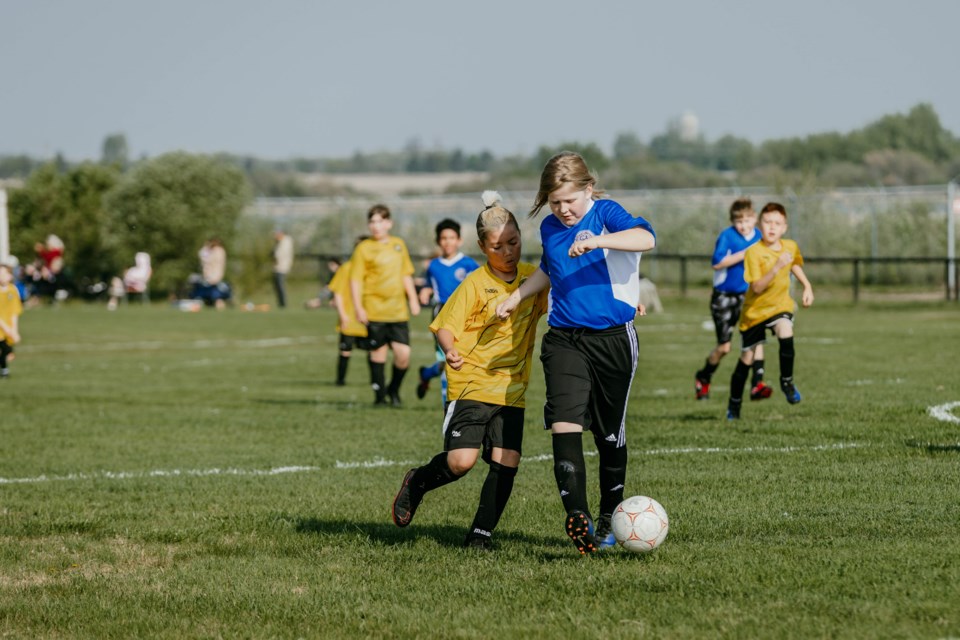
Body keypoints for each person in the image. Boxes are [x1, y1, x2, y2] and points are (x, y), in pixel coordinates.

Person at [496, 151, 656, 555]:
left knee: (608, 435)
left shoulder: (606, 213)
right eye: (555, 202)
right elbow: (551, 269)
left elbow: (647, 238)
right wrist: (517, 295)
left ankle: (608, 515)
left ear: (587, 189)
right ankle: (579, 518)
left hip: (614, 340)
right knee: (564, 423)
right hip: (565, 338)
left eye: (570, 200)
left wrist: (597, 239)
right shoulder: (550, 227)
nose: (563, 211)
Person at [392, 192, 549, 550]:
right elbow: (446, 325)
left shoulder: (531, 279)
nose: (508, 252)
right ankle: (418, 481)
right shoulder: (475, 283)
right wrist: (449, 350)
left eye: (514, 242)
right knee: (462, 461)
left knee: (507, 461)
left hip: (512, 388)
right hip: (472, 384)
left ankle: (480, 535)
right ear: (482, 246)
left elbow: (566, 291)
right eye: (498, 246)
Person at [726, 202, 814, 420]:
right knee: (747, 359)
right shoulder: (754, 252)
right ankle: (734, 406)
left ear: (784, 227)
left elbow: (793, 264)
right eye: (767, 222)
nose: (772, 227)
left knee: (786, 330)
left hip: (780, 306)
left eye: (777, 223)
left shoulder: (790, 246)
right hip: (754, 312)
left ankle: (787, 383)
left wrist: (807, 285)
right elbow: (756, 287)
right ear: (759, 225)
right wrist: (776, 267)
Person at [694, 198, 769, 401]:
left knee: (756, 338)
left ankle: (757, 384)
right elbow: (717, 263)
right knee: (725, 347)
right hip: (724, 297)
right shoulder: (727, 236)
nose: (743, 226)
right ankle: (703, 377)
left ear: (754, 219)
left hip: (748, 296)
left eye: (747, 221)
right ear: (733, 222)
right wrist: (745, 253)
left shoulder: (760, 236)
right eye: (739, 222)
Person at [349, 205, 420, 406]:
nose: (376, 226)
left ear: (389, 223)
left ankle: (394, 390)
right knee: (377, 354)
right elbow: (355, 280)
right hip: (374, 310)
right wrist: (358, 307)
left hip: (398, 311)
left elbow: (406, 274)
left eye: (380, 221)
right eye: (372, 222)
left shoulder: (399, 245)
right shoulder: (363, 248)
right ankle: (380, 398)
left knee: (403, 355)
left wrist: (413, 299)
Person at [415, 219, 480, 403]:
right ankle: (448, 404)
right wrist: (425, 291)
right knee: (448, 357)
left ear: (459, 240)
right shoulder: (433, 266)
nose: (448, 242)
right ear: (438, 241)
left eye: (452, 237)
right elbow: (430, 285)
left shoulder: (469, 264)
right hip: (441, 314)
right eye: (444, 238)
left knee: (461, 358)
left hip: (465, 314)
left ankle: (427, 373)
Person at [328, 238, 370, 386]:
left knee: (374, 352)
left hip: (369, 318)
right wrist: (343, 315)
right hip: (351, 319)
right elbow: (338, 293)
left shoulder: (373, 269)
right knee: (345, 351)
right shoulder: (346, 268)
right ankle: (340, 380)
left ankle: (375, 383)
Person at [0, 263, 23, 379]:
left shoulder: (12, 290)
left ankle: (4, 371)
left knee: (7, 351)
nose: (2, 276)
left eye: (5, 273)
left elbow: (15, 312)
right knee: (6, 350)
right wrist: (6, 328)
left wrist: (14, 330)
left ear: (10, 276)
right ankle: (4, 371)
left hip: (7, 327)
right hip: (1, 327)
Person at [194, 237, 230, 309]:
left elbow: (217, 263)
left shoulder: (219, 251)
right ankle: (211, 303)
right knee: (209, 289)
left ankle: (219, 304)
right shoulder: (210, 250)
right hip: (209, 273)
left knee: (215, 290)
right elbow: (202, 256)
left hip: (215, 273)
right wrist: (206, 247)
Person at [271, 228, 294, 309]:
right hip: (277, 267)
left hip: (282, 267)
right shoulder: (280, 242)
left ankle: (283, 304)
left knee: (281, 285)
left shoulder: (286, 242)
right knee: (277, 285)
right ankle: (280, 303)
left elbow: (279, 255)